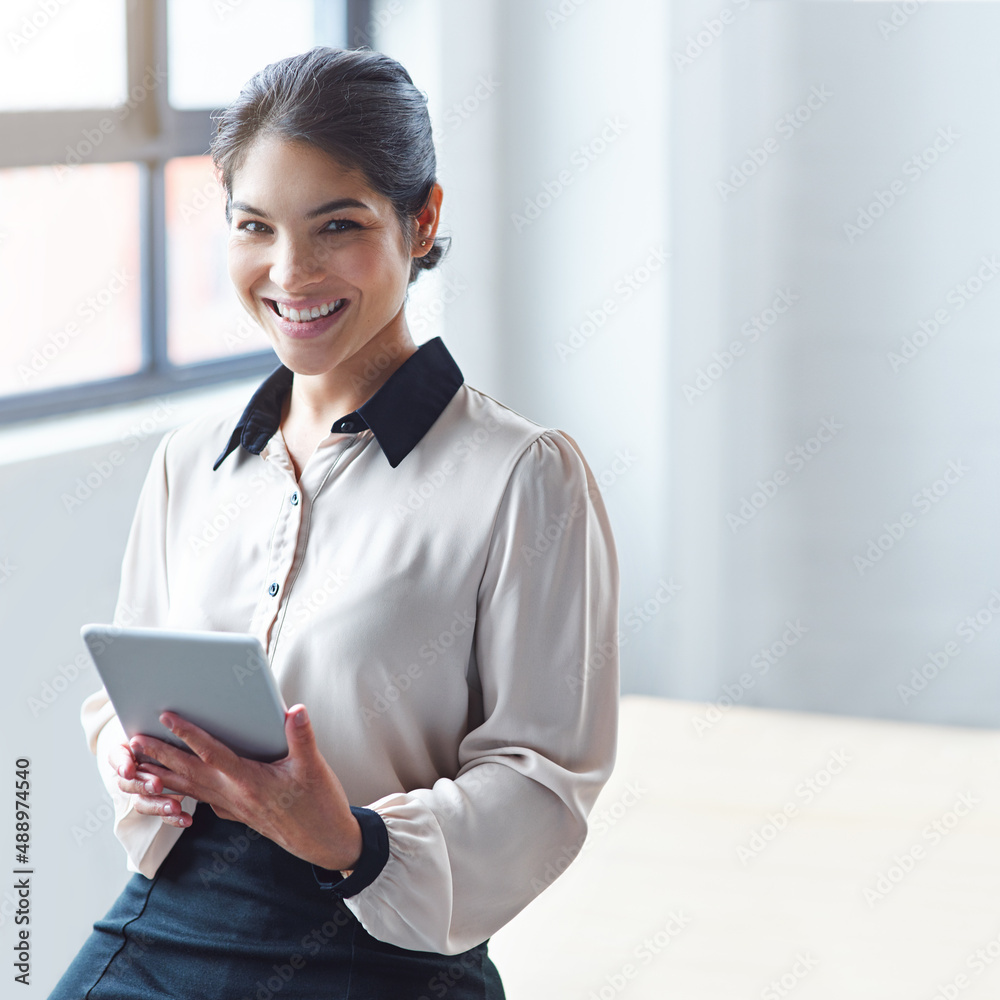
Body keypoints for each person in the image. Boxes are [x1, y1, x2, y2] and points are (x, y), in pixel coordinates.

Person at [49, 45, 619, 999]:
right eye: (253, 226)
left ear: (422, 219)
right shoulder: (192, 462)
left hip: (378, 947)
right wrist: (129, 753)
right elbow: (122, 691)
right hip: (171, 913)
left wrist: (349, 839)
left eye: (336, 225)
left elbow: (547, 779)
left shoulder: (523, 476)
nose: (289, 271)